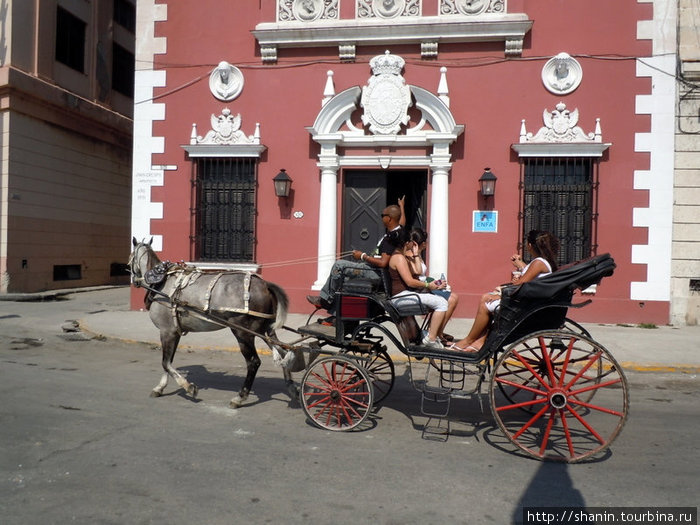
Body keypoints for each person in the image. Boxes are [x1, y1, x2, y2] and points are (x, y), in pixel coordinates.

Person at [450, 230, 560, 352]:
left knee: (485, 300)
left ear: (529, 245)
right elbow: (531, 275)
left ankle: (469, 340)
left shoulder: (538, 262)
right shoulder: (543, 261)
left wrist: (502, 293)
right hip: (529, 301)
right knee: (489, 298)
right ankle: (480, 342)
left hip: (524, 305)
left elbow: (521, 283)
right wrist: (520, 265)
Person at [307, 198, 405, 311]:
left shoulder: (390, 239)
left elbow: (383, 263)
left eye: (383, 215)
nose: (381, 217)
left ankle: (324, 300)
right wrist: (401, 207)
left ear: (389, 219)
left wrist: (362, 256)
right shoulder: (400, 231)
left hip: (375, 272)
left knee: (339, 266)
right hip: (377, 272)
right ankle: (336, 315)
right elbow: (402, 221)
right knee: (341, 279)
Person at [387, 228, 449, 349]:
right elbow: (410, 281)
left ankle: (430, 336)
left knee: (441, 301)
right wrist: (428, 285)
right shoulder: (398, 258)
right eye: (411, 241)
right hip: (400, 296)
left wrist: (416, 253)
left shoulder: (403, 256)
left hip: (407, 294)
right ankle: (431, 339)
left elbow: (418, 271)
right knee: (442, 303)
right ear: (406, 243)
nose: (413, 243)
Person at [407, 228, 459, 343]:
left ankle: (438, 331)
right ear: (422, 243)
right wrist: (415, 255)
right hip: (418, 289)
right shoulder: (410, 256)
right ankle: (435, 333)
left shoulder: (418, 255)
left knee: (454, 297)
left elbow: (422, 276)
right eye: (425, 242)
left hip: (424, 286)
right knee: (451, 299)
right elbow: (417, 272)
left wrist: (437, 283)